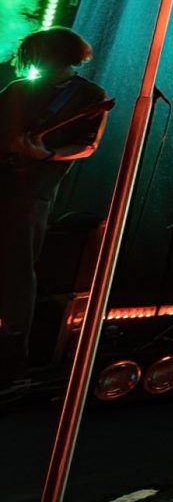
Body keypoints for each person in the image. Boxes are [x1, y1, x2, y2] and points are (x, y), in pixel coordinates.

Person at [0, 28, 109, 384]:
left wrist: (45, 153)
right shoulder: (18, 90)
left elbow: (87, 146)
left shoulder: (89, 96)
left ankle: (14, 352)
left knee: (17, 269)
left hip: (32, 192)